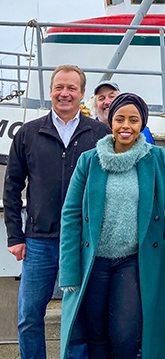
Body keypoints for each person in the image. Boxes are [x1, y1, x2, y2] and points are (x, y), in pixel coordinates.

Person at [59, 93, 165, 359]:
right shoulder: (89, 161)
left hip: (133, 261)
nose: (126, 125)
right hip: (93, 262)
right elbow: (70, 215)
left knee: (125, 334)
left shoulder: (157, 159)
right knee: (95, 335)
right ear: (110, 122)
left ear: (142, 125)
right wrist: (69, 271)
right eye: (120, 119)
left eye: (133, 120)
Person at [3, 65, 111, 359]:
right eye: (59, 87)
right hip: (39, 240)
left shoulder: (100, 134)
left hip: (82, 241)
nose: (65, 93)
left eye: (72, 88)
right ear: (50, 90)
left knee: (77, 317)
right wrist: (15, 235)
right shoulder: (28, 133)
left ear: (82, 94)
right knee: (29, 317)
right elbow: (12, 187)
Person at [92, 80, 155, 144]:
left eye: (112, 96)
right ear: (95, 105)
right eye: (101, 98)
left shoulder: (142, 131)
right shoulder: (89, 132)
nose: (107, 102)